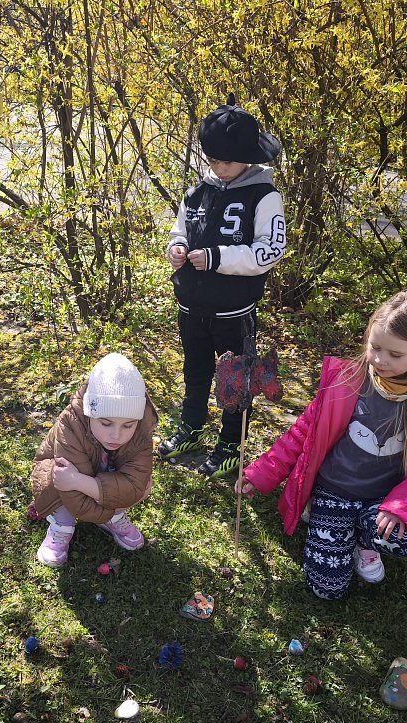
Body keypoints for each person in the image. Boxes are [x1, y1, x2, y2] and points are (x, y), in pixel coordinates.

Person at [236, 292, 407, 600]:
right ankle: (333, 523)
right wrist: (261, 473)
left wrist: (401, 507)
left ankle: (365, 542)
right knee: (327, 589)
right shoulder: (344, 381)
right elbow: (302, 432)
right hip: (335, 493)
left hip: (384, 500)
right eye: (375, 347)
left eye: (395, 354)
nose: (380, 360)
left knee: (403, 537)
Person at [158, 94, 286, 478]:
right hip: (192, 307)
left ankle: (231, 443)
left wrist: (218, 258)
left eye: (227, 161)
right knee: (195, 372)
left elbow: (271, 250)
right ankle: (192, 427)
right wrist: (176, 248)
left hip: (233, 311)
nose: (219, 168)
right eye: (212, 160)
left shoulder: (264, 195)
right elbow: (180, 230)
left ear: (248, 157)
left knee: (234, 379)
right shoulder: (197, 192)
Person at [29, 353, 158, 567]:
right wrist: (122, 499)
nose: (116, 435)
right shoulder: (70, 425)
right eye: (106, 423)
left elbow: (135, 484)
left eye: (128, 425)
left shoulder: (141, 431)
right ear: (90, 413)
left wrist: (79, 482)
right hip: (63, 489)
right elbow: (73, 495)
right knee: (59, 477)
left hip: (85, 484)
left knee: (142, 484)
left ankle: (113, 517)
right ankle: (62, 525)